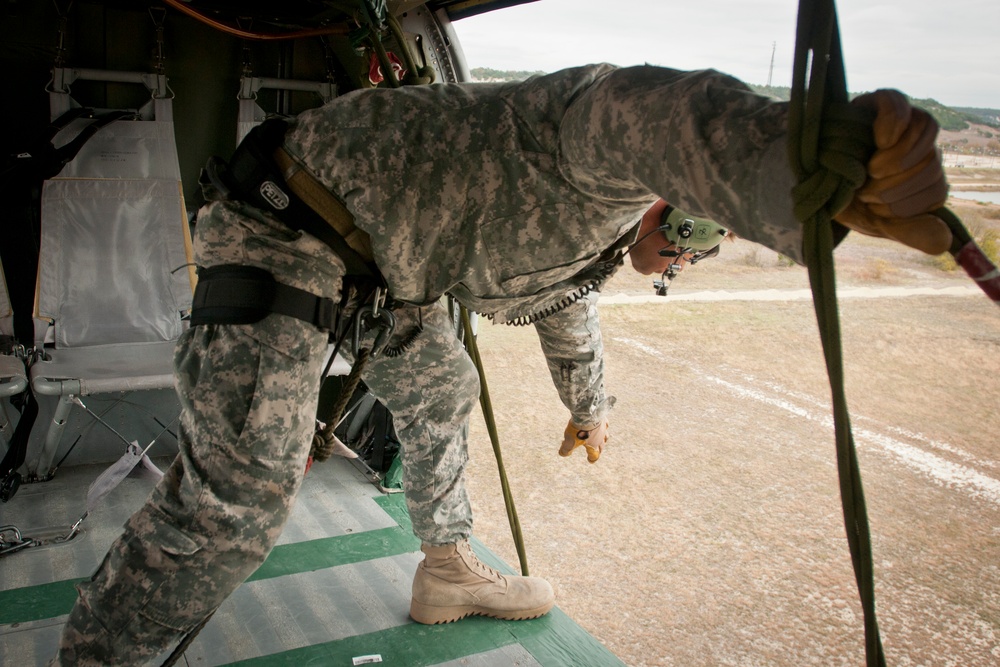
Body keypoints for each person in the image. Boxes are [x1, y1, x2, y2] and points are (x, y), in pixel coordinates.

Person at [54, 63, 949, 664]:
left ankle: (445, 565)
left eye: (687, 255)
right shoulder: (596, 153)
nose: (671, 258)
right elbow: (638, 108)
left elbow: (569, 310)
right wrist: (792, 165)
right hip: (287, 229)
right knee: (241, 501)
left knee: (445, 379)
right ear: (672, 208)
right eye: (679, 237)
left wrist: (590, 407)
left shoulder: (603, 237)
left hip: (380, 272)